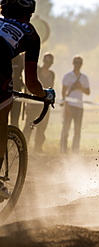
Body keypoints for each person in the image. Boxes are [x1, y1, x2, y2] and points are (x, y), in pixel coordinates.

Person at [0, 0, 55, 198]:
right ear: (29, 11)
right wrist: (45, 95)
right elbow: (31, 83)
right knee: (2, 119)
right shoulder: (30, 33)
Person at [23, 52, 55, 153]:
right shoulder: (37, 70)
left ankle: (38, 147)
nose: (48, 63)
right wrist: (27, 102)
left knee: (42, 126)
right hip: (33, 102)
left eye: (50, 62)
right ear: (43, 61)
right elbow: (29, 85)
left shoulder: (51, 74)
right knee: (29, 124)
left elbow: (51, 88)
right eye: (46, 61)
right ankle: (24, 145)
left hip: (44, 103)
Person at [60, 55, 90, 154]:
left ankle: (75, 151)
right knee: (66, 128)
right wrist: (66, 106)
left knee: (77, 130)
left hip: (79, 106)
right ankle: (63, 149)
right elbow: (63, 93)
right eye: (76, 62)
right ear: (73, 63)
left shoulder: (84, 78)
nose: (78, 65)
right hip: (70, 105)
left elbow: (88, 92)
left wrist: (80, 87)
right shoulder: (67, 76)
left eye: (79, 63)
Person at [10, 54, 24, 127]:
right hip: (4, 91)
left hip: (16, 92)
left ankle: (12, 136)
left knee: (15, 120)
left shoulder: (19, 59)